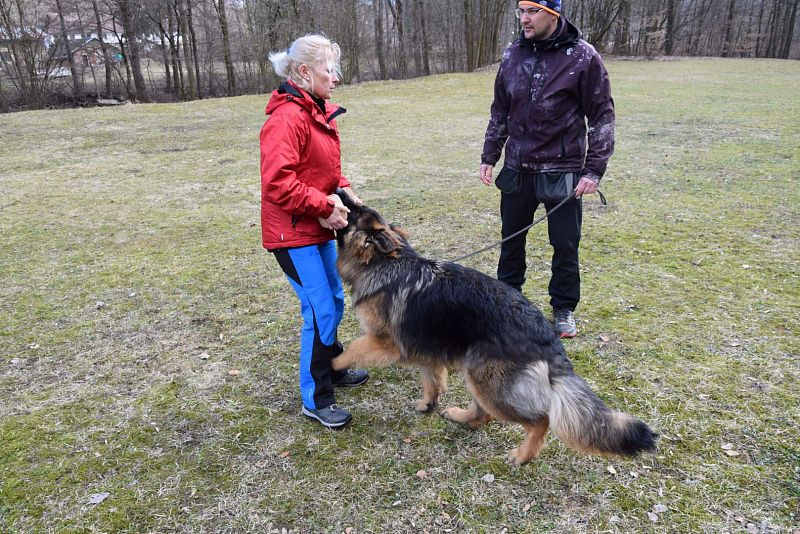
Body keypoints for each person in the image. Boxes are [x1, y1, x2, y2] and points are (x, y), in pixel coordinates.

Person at [479, 0, 615, 338]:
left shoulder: (583, 57)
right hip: (517, 168)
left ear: (553, 14)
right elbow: (500, 110)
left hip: (563, 169)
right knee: (511, 242)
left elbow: (602, 116)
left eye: (532, 12)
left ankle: (564, 308)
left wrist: (592, 171)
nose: (524, 19)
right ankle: (508, 304)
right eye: (521, 11)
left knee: (565, 244)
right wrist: (490, 154)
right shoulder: (513, 55)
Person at [260, 34, 368, 429]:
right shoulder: (287, 118)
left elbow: (320, 168)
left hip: (316, 226)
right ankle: (317, 398)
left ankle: (334, 366)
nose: (336, 77)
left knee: (334, 300)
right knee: (320, 309)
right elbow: (277, 183)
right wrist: (324, 206)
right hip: (292, 234)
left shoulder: (314, 109)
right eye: (329, 68)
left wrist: (343, 190)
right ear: (304, 72)